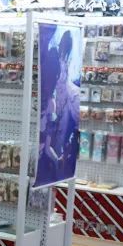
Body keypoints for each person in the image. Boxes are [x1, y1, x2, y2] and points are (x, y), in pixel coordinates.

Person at [38, 31, 80, 182]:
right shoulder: (59, 63)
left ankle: (57, 166)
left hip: (58, 104)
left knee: (55, 140)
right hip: (56, 104)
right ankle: (56, 166)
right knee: (53, 141)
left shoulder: (61, 64)